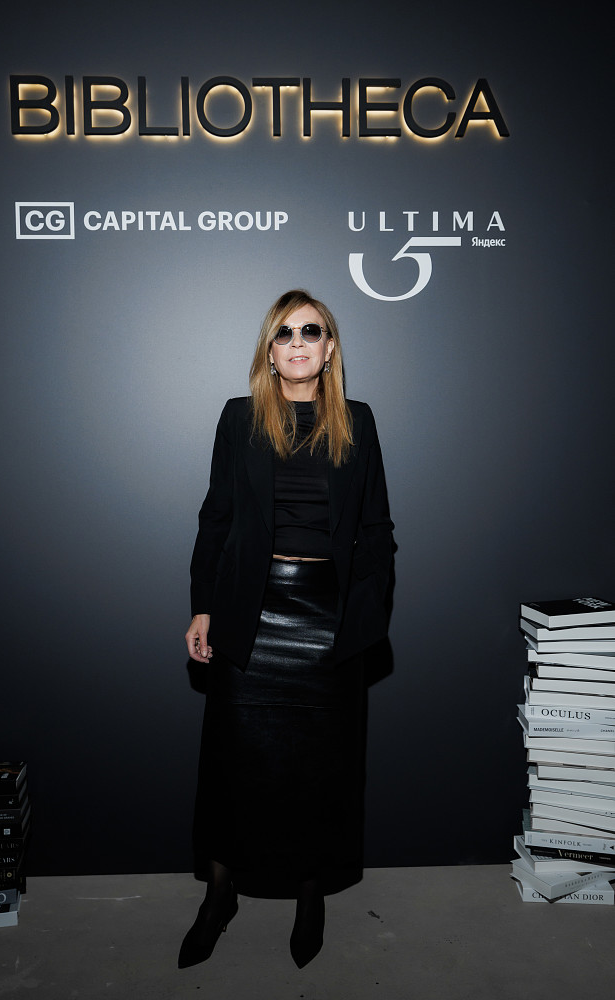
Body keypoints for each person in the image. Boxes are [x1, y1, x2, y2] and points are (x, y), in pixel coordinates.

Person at [179, 289, 394, 969]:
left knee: (320, 772)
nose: (298, 342)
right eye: (284, 333)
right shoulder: (239, 418)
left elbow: (376, 528)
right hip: (250, 612)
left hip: (328, 616)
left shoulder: (357, 421)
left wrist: (366, 618)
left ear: (329, 349)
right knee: (229, 768)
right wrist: (204, 606)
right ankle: (219, 895)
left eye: (312, 331)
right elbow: (216, 517)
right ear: (269, 352)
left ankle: (310, 895)